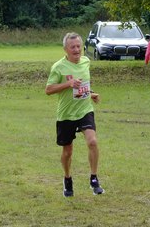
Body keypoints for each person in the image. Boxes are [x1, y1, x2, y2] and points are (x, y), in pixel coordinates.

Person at [45, 32, 104, 197]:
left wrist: (90, 93)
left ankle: (93, 178)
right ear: (66, 49)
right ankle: (67, 178)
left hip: (85, 109)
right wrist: (68, 84)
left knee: (92, 142)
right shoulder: (58, 67)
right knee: (67, 151)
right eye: (73, 47)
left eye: (79, 46)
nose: (77, 50)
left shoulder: (86, 62)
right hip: (66, 114)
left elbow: (82, 86)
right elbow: (48, 90)